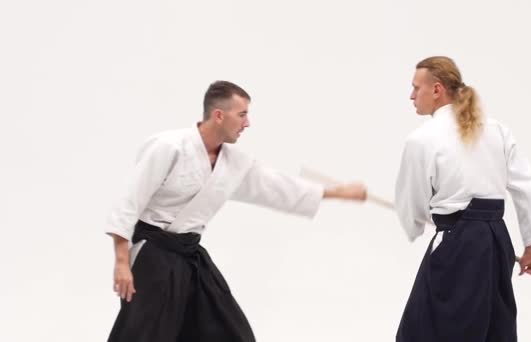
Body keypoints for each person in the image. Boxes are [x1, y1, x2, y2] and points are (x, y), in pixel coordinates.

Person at [105, 80, 367, 342]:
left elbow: (278, 187)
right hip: (152, 254)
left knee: (229, 330)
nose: (247, 123)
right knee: (145, 334)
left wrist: (338, 193)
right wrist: (121, 263)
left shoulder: (233, 163)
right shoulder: (169, 147)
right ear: (219, 115)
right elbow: (130, 201)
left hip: (189, 255)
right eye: (242, 114)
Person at [394, 56, 531, 342]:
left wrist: (416, 224)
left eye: (415, 87)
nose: (411, 95)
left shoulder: (421, 140)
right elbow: (528, 187)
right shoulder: (496, 130)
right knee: (492, 329)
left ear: (436, 90)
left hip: (459, 245)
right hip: (497, 243)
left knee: (429, 329)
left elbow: (412, 205)